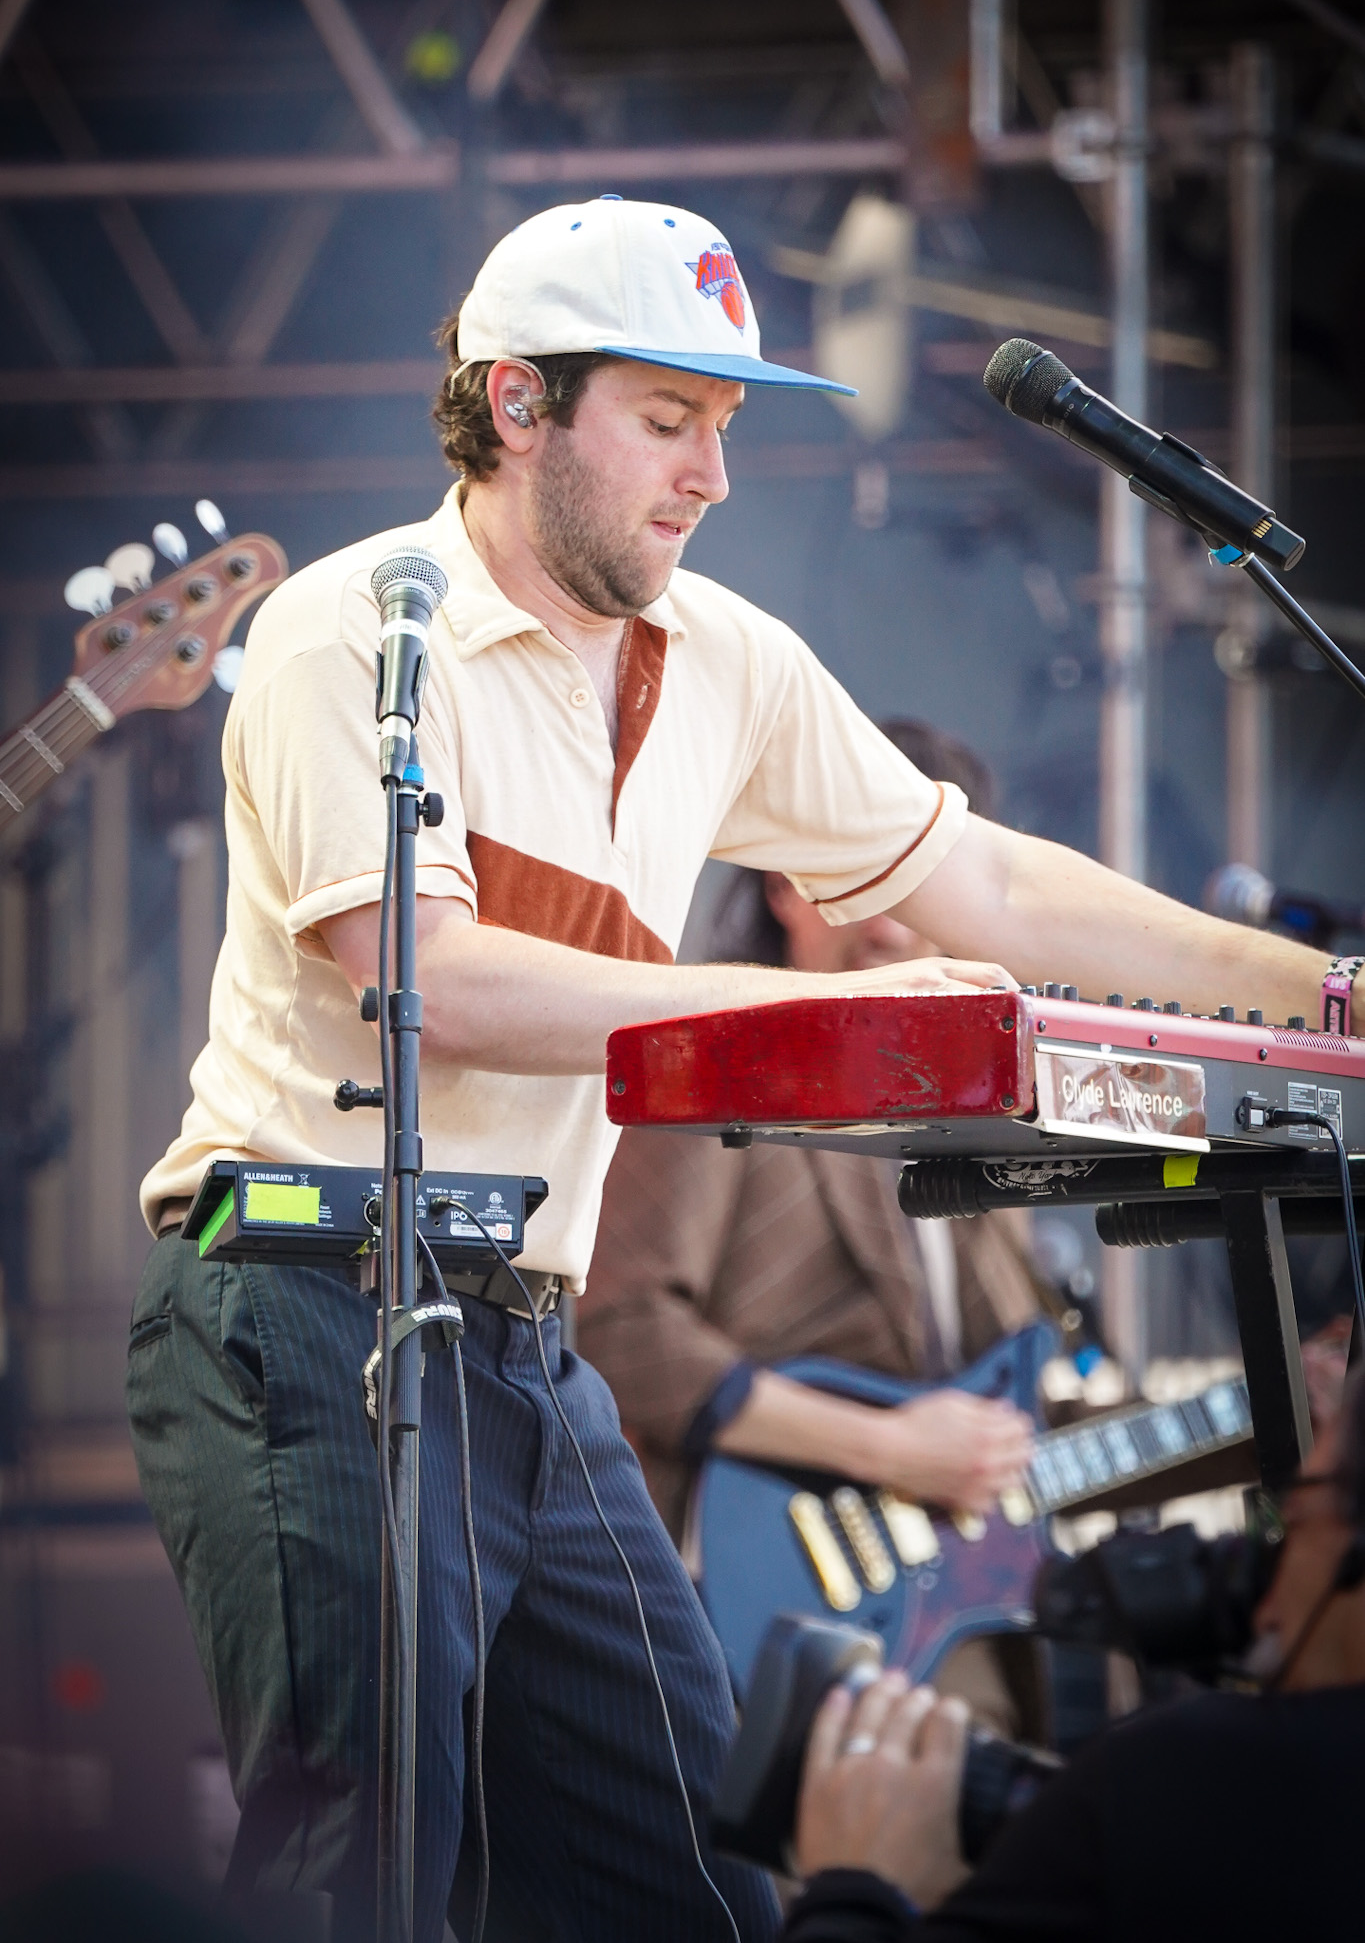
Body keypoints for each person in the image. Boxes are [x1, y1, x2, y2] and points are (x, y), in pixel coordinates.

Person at [125, 194, 1359, 1943]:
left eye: (726, 426)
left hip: (526, 1335)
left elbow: (985, 878)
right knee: (361, 1871)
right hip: (309, 1291)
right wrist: (787, 1013)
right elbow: (427, 972)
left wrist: (1320, 993)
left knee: (699, 1872)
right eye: (667, 417)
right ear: (514, 404)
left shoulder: (731, 659)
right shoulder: (356, 627)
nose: (711, 473)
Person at [578, 722, 1040, 1733]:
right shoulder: (717, 1065)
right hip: (770, 1603)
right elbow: (619, 1332)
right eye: (857, 878)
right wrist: (886, 1445)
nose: (890, 922)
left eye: (919, 884)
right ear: (786, 886)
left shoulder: (981, 1107)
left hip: (953, 1603)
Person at [781, 1367, 1365, 1941]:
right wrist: (886, 1446)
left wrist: (853, 1887)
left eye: (1298, 1516)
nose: (1265, 1608)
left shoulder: (1189, 1782)